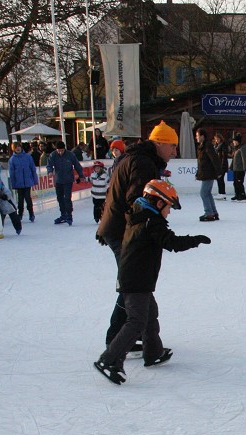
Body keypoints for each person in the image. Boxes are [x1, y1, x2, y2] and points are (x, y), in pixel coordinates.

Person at [93, 180, 211, 385]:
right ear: (158, 204)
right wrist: (195, 240)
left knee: (149, 315)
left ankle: (153, 352)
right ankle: (108, 360)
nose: (170, 213)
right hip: (136, 280)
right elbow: (171, 243)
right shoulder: (151, 223)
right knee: (137, 321)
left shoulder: (140, 216)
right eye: (169, 208)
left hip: (138, 278)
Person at [98, 120, 178, 355]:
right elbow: (138, 202)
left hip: (120, 228)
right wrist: (151, 231)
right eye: (172, 146)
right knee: (133, 285)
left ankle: (136, 338)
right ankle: (118, 340)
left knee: (133, 284)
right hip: (122, 231)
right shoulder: (143, 163)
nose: (175, 151)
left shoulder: (141, 158)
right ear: (160, 143)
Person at [47, 140, 85, 225]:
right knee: (60, 198)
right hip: (58, 180)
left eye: (62, 150)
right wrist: (49, 171)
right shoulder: (53, 155)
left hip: (68, 180)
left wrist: (81, 175)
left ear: (64, 149)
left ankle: (69, 215)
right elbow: (49, 164)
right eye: (59, 150)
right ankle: (63, 214)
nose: (60, 152)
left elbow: (77, 165)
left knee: (67, 198)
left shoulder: (70, 155)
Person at [194, 128, 221, 222]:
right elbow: (201, 162)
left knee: (203, 193)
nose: (196, 137)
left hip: (209, 173)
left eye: (197, 136)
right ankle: (213, 212)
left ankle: (209, 213)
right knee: (207, 193)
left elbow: (214, 159)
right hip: (206, 173)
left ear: (202, 136)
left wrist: (218, 171)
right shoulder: (202, 146)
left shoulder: (207, 146)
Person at [8, 142, 38, 222]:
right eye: (16, 147)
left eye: (19, 147)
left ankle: (31, 213)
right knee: (20, 200)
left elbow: (32, 168)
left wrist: (35, 180)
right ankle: (20, 214)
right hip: (19, 183)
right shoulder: (12, 159)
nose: (18, 148)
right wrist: (13, 183)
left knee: (28, 198)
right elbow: (12, 173)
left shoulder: (28, 157)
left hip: (27, 181)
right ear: (13, 149)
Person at [230, 133, 246, 202]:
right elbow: (234, 159)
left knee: (239, 182)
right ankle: (237, 195)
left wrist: (245, 168)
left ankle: (242, 196)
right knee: (235, 183)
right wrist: (231, 167)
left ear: (237, 141)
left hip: (240, 169)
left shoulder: (242, 148)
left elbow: (244, 159)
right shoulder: (236, 149)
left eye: (234, 141)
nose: (233, 142)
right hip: (235, 169)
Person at [213, 133, 230, 200]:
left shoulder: (223, 146)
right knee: (219, 179)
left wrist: (222, 166)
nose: (216, 140)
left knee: (220, 179)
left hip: (222, 165)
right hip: (218, 165)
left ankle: (222, 193)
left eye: (217, 139)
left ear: (220, 138)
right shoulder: (217, 146)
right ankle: (221, 193)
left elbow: (224, 157)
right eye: (215, 139)